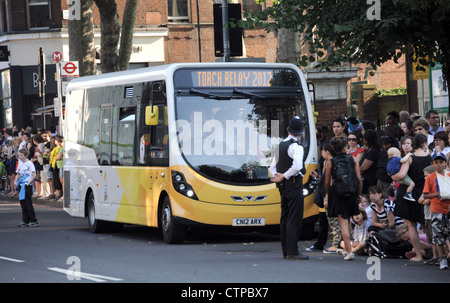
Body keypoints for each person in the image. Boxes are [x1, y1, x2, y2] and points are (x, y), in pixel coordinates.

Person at [270, 116, 308, 260]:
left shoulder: (279, 146)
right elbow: (297, 166)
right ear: (300, 132)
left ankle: (286, 250)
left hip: (282, 186)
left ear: (288, 130)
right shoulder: (296, 146)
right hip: (293, 183)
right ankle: (292, 251)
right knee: (294, 218)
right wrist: (284, 176)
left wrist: (278, 176)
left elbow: (272, 167)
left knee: (285, 217)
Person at [392, 134, 432, 262]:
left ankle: (419, 255)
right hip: (424, 192)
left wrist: (393, 176)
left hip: (409, 193)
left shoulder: (410, 158)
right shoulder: (430, 157)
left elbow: (402, 175)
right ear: (424, 143)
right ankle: (437, 253)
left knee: (411, 225)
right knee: (426, 225)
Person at [324, 137, 362, 260]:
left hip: (338, 193)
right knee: (349, 222)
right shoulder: (353, 159)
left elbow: (327, 182)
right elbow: (359, 179)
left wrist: (328, 194)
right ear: (344, 147)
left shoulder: (330, 162)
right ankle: (347, 249)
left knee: (343, 223)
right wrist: (358, 194)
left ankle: (350, 252)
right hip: (351, 193)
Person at [422, 152, 450, 269]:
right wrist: (438, 194)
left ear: (445, 163)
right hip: (436, 209)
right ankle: (442, 259)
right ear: (432, 164)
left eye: (441, 162)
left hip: (448, 208)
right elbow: (425, 195)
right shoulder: (430, 178)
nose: (439, 165)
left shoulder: (448, 176)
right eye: (436, 162)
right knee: (437, 235)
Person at [306, 142, 332, 253]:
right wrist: (317, 176)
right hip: (323, 195)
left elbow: (329, 181)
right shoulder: (324, 162)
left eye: (321, 151)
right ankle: (320, 243)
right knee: (323, 221)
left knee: (331, 222)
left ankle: (336, 244)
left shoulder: (330, 163)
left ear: (326, 151)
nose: (320, 153)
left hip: (327, 196)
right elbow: (324, 179)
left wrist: (326, 196)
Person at [418, 165, 439, 265]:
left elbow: (426, 201)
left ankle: (439, 257)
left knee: (436, 238)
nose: (425, 178)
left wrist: (425, 200)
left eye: (426, 176)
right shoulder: (427, 187)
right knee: (430, 237)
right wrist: (425, 200)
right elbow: (420, 199)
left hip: (434, 215)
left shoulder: (436, 187)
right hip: (427, 216)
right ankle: (435, 256)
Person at [15, 149, 38, 227]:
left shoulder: (30, 164)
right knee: (23, 203)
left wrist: (29, 182)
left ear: (26, 155)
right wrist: (16, 181)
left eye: (21, 155)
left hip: (27, 185)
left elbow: (34, 174)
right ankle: (25, 220)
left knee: (28, 203)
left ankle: (33, 220)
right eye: (19, 155)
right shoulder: (20, 163)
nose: (19, 157)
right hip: (21, 185)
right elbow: (18, 174)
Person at [359, 129, 380, 194]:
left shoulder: (373, 152)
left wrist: (357, 173)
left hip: (370, 180)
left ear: (366, 140)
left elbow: (363, 168)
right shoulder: (370, 150)